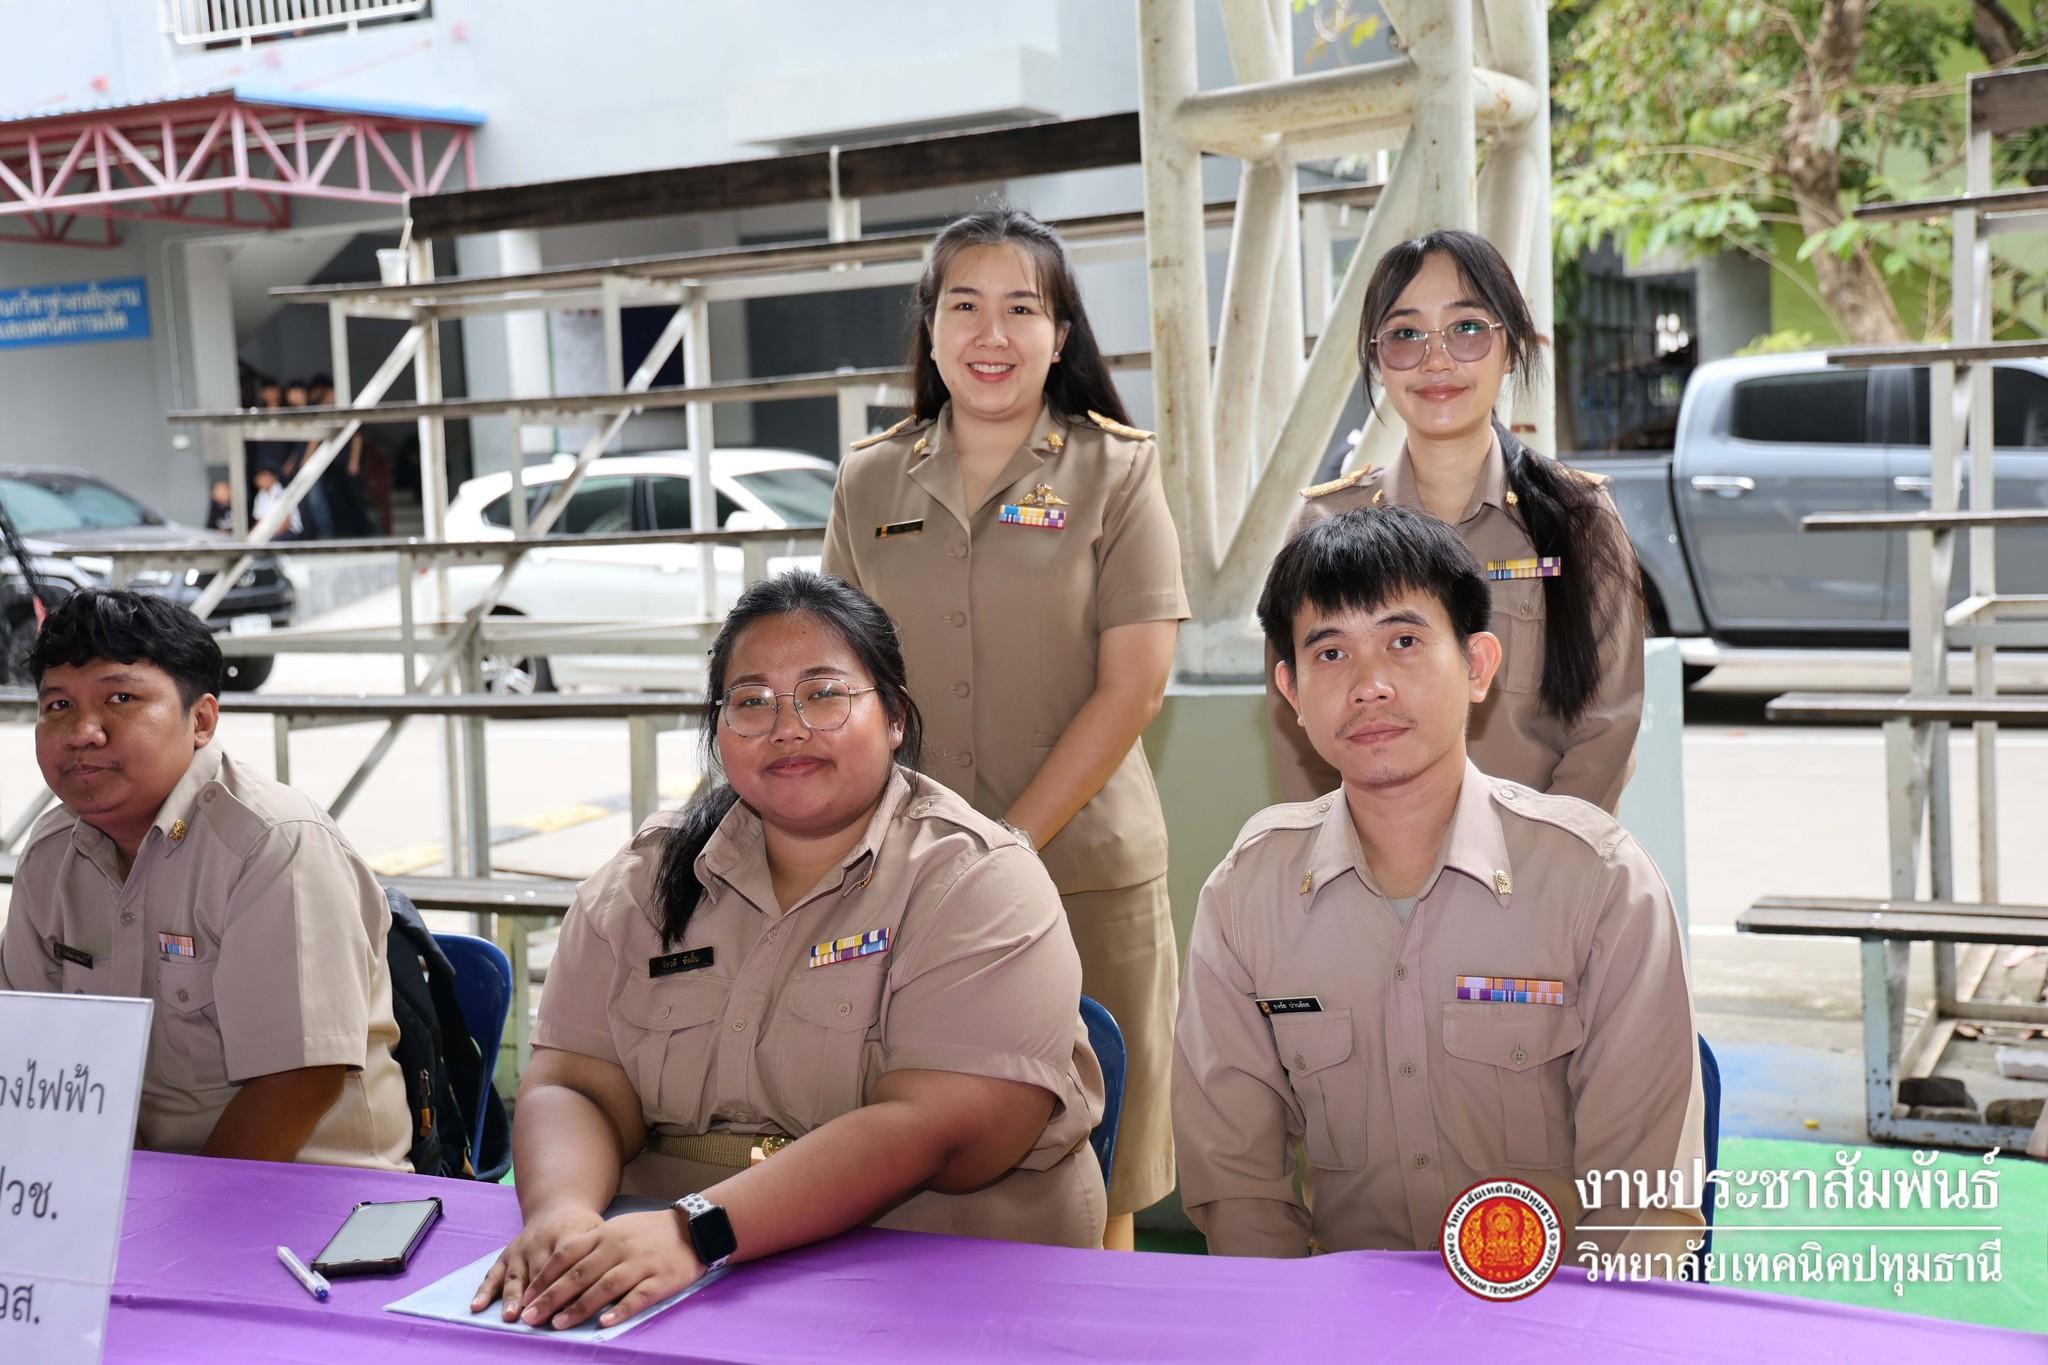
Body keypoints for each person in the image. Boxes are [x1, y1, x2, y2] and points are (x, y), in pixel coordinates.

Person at [472, 570, 1105, 1331]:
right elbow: (576, 1084)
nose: (787, 727)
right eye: (752, 702)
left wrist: (698, 1230)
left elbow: (934, 1129)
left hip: (932, 1273)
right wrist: (564, 1217)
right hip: (666, 1275)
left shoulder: (980, 880)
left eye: (824, 694)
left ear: (895, 716)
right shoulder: (644, 881)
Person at [1174, 506, 1703, 1264]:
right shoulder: (1246, 897)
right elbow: (1240, 1190)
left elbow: (1643, 1208)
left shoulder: (1600, 884)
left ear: (1478, 666)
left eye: (1404, 642)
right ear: (1290, 690)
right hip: (1342, 1317)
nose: (1370, 686)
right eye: (1331, 653)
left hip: (1554, 1312)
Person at [820, 207, 1185, 1249]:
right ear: (930, 329)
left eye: (1022, 309)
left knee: (1100, 1179)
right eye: (965, 307)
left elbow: (1134, 685)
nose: (992, 334)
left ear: (1060, 334)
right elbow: (836, 678)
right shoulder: (869, 479)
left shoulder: (1116, 469)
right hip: (908, 886)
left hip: (1082, 878)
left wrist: (1005, 848)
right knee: (912, 1168)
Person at [0, 589, 411, 1171]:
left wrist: (170, 1207)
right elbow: (25, 1048)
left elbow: (300, 1081)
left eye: (121, 698)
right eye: (58, 705)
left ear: (201, 720)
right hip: (122, 1185)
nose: (82, 732)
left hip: (307, 1191)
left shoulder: (273, 843)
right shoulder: (50, 853)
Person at [1269, 229, 1644, 813]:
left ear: (1511, 348)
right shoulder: (1324, 524)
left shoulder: (1578, 519)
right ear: (1378, 359)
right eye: (1405, 334)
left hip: (1540, 856)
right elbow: (1298, 733)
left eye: (1467, 328)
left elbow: (1606, 726)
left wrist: (1543, 855)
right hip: (1373, 857)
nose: (1436, 359)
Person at [251, 464, 303, 539]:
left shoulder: (283, 493)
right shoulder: (260, 496)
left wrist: (268, 537)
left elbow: (286, 523)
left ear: (274, 477)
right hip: (268, 534)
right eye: (259, 477)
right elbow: (259, 521)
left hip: (288, 532)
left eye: (265, 476)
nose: (262, 479)